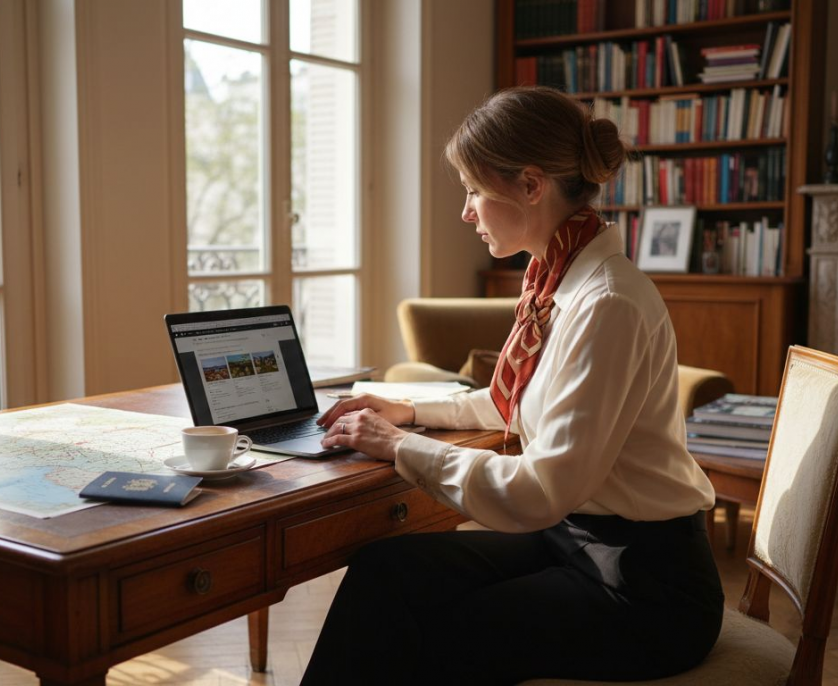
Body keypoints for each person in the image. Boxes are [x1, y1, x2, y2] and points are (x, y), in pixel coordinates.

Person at [300, 87, 724, 686]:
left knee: (441, 633)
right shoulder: (559, 279)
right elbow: (521, 400)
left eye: (474, 190)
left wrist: (400, 446)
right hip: (575, 540)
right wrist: (406, 408)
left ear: (531, 185)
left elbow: (544, 489)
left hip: (644, 585)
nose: (466, 212)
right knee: (385, 571)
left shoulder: (605, 302)